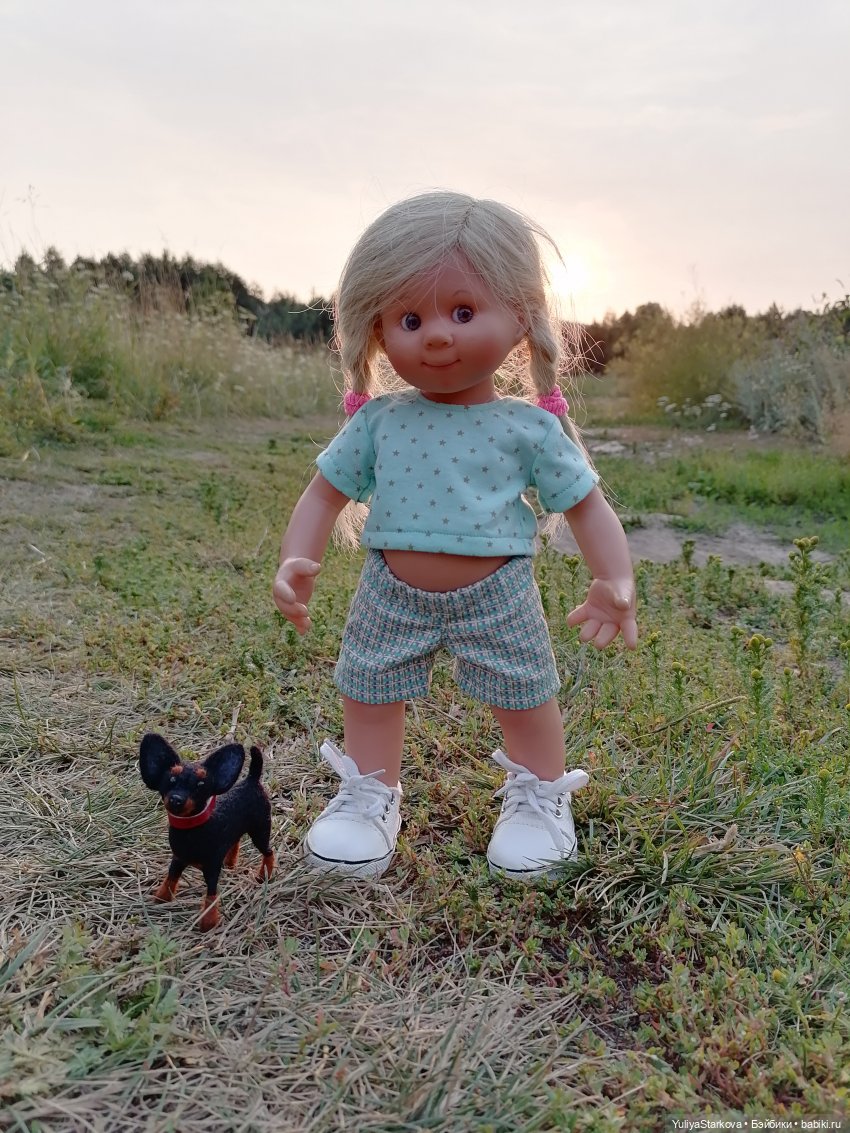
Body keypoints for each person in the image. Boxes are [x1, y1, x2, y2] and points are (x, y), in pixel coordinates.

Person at [273, 191, 637, 883]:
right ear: (379, 330)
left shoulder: (528, 427)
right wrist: (298, 556)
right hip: (390, 589)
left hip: (498, 591)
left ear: (521, 317)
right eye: (410, 319)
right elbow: (323, 492)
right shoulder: (379, 421)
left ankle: (540, 797)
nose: (437, 335)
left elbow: (587, 505)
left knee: (526, 695)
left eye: (463, 311)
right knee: (368, 689)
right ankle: (371, 793)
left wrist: (613, 576)